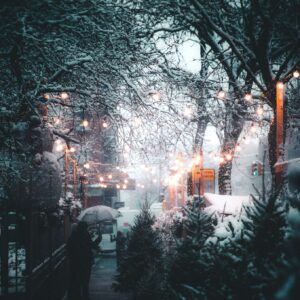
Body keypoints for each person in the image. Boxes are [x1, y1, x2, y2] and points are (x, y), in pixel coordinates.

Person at [67, 221, 100, 300]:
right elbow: (91, 245)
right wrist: (99, 238)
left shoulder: (73, 236)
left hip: (75, 263)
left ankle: (77, 296)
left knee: (76, 280)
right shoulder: (86, 235)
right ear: (85, 228)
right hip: (86, 262)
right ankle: (85, 296)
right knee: (85, 281)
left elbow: (68, 249)